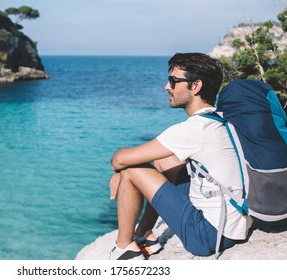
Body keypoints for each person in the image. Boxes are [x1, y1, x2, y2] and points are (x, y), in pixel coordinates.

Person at [108, 52, 253, 260]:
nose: (167, 87)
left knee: (131, 169)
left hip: (208, 235)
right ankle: (143, 235)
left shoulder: (194, 130)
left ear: (195, 86)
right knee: (163, 158)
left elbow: (120, 159)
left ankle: (124, 249)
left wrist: (121, 172)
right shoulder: (219, 118)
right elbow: (155, 156)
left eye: (173, 81)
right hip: (234, 220)